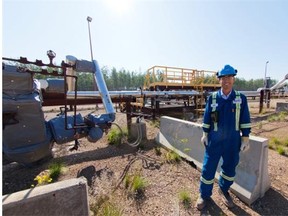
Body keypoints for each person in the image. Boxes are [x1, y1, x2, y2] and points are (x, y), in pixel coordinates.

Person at [196, 64, 251, 210]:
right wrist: (204, 134)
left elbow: (245, 119)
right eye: (223, 77)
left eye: (229, 77)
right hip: (214, 140)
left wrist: (245, 138)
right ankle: (204, 195)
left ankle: (223, 189)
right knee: (208, 168)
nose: (226, 80)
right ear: (219, 80)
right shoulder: (213, 98)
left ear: (233, 79)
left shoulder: (241, 98)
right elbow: (207, 117)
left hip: (233, 141)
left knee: (230, 168)